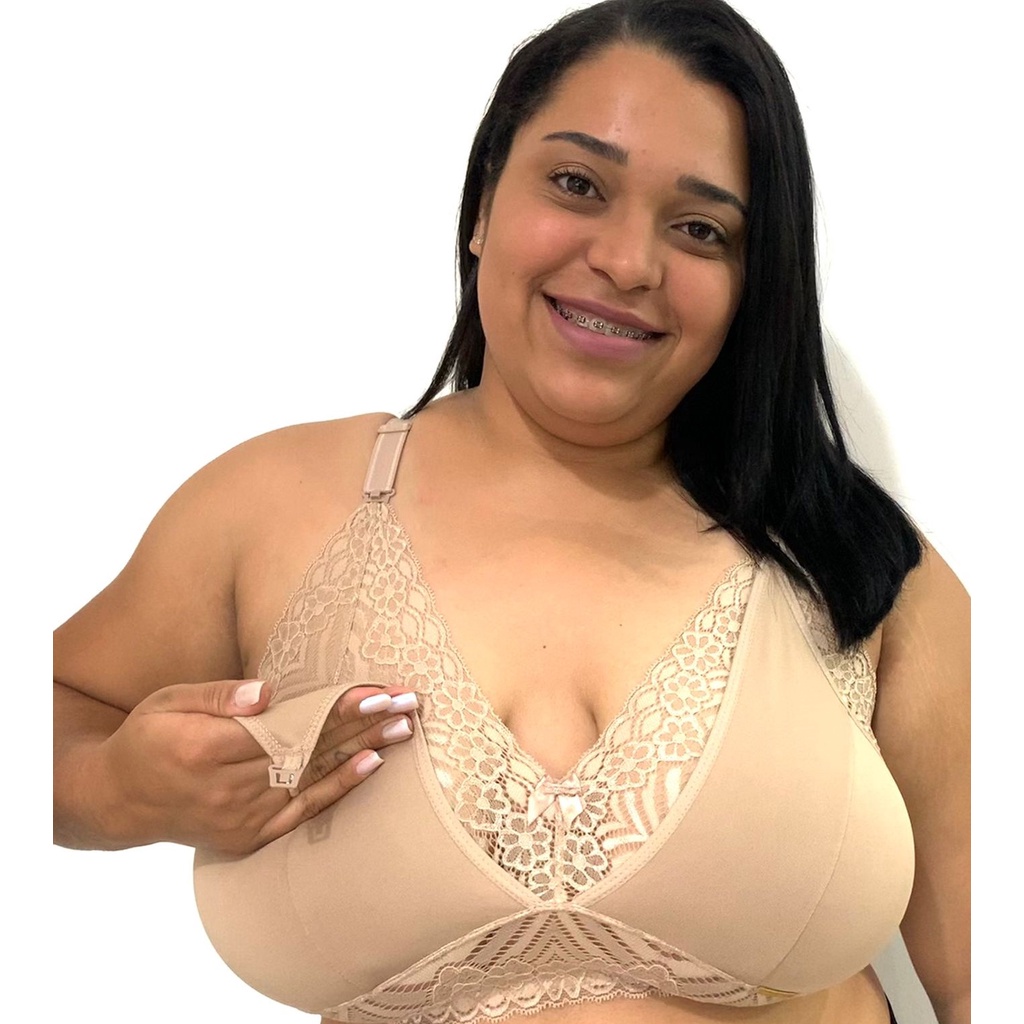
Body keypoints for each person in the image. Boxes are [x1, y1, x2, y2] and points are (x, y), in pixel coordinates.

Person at [52, 1, 969, 1022]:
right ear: (484, 200)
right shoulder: (269, 506)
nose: (628, 262)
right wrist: (115, 789)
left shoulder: (862, 566)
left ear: (753, 282)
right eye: (578, 184)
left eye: (700, 229)